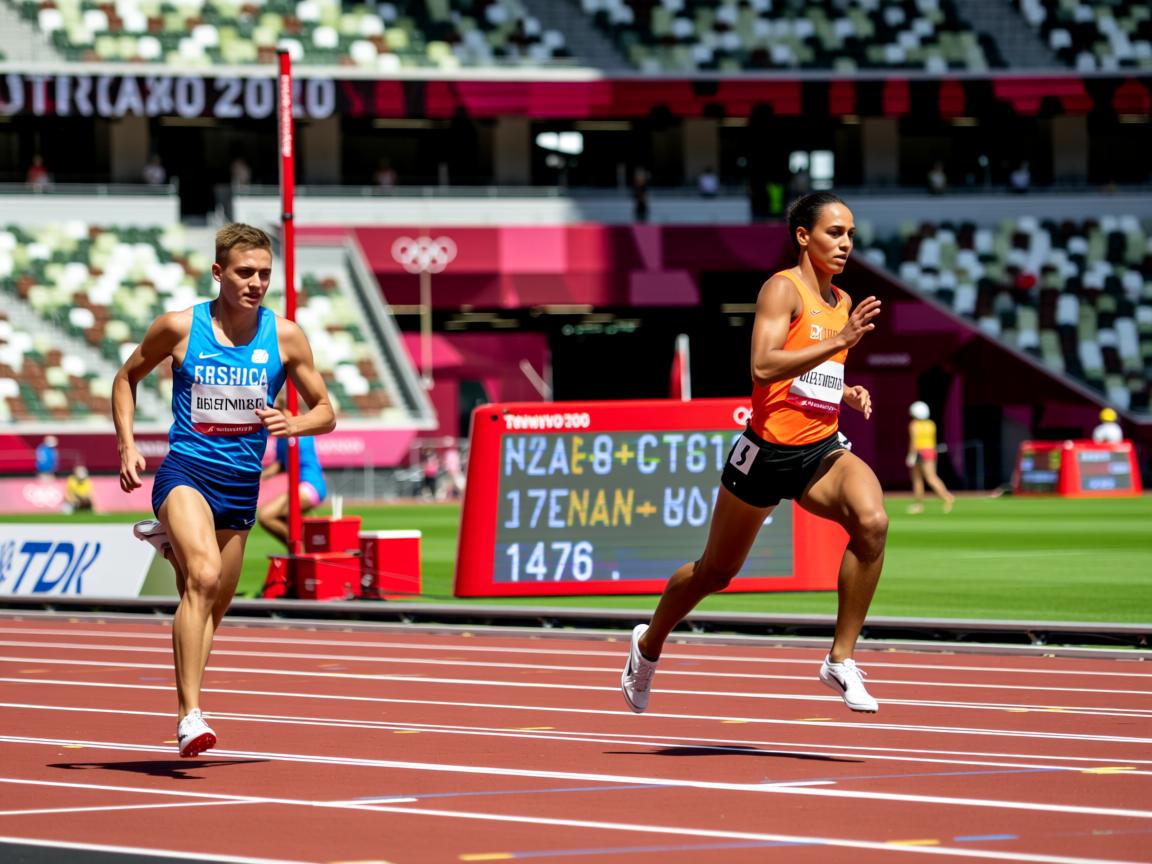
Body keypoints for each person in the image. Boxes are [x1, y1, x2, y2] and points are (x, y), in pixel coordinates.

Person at [621, 191, 886, 715]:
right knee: (715, 573)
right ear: (803, 237)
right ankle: (648, 645)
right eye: (835, 233)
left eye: (851, 234)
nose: (846, 243)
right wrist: (839, 343)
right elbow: (765, 367)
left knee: (873, 522)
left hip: (821, 450)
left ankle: (840, 659)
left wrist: (844, 391)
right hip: (764, 456)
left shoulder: (844, 303)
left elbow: (814, 374)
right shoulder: (780, 290)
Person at [113, 223, 335, 758]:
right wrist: (126, 445)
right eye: (244, 272)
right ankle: (189, 715)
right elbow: (126, 378)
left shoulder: (285, 336)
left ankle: (170, 549)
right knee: (205, 576)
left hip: (241, 486)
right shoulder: (179, 327)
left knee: (211, 607)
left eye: (264, 274)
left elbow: (326, 411)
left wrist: (294, 424)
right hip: (186, 472)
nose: (256, 282)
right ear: (218, 273)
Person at [257, 401, 328, 547]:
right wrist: (257, 476)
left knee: (266, 517)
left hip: (311, 486)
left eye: (276, 410)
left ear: (286, 410)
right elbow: (280, 465)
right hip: (300, 487)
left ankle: (299, 549)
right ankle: (304, 548)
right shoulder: (281, 435)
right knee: (281, 519)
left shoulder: (300, 430)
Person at [905, 401, 955, 514]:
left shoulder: (914, 425)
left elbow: (914, 442)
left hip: (920, 452)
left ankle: (942, 498)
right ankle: (946, 496)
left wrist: (911, 455)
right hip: (931, 452)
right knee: (932, 477)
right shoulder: (931, 424)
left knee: (918, 479)